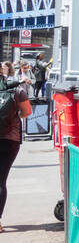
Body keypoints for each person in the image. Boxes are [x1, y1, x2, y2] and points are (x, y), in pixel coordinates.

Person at [0, 66, 30, 232]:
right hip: (9, 140)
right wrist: (13, 116)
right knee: (1, 179)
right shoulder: (17, 91)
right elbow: (27, 112)